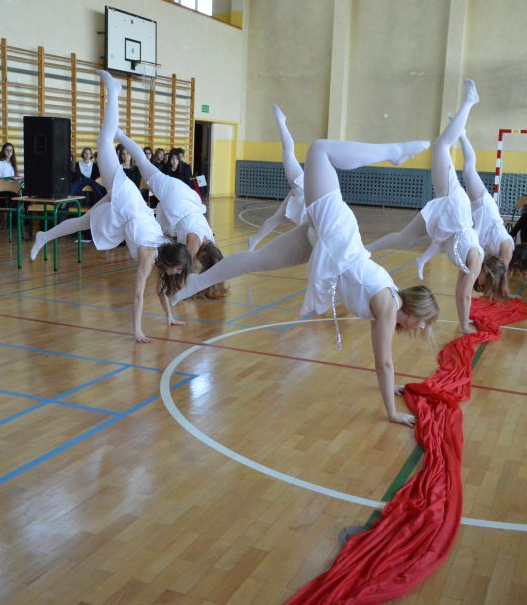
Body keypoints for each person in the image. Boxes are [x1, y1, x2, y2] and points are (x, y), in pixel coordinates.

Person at [168, 130, 436, 427]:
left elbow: (382, 359)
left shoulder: (387, 307)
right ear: (417, 311)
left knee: (257, 260)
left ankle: (197, 282)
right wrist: (392, 413)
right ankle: (394, 152)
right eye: (425, 322)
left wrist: (390, 385)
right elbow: (384, 362)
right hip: (338, 236)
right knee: (319, 150)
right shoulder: (387, 305)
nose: (422, 328)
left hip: (326, 243)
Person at [29, 70, 192, 343]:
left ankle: (44, 236)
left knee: (82, 222)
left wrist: (169, 317)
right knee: (104, 142)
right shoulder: (149, 255)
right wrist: (137, 331)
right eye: (179, 271)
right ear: (172, 262)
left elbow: (161, 289)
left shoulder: (161, 250)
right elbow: (138, 294)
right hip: (127, 202)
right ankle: (114, 91)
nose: (177, 275)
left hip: (124, 215)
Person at [366, 80, 484, 333]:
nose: (478, 284)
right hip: (454, 209)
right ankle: (469, 101)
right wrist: (465, 327)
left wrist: (422, 260)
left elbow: (447, 252)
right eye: (483, 281)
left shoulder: (466, 263)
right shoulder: (474, 260)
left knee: (404, 237)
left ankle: (366, 250)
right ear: (488, 272)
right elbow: (465, 295)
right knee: (441, 146)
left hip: (449, 218)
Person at [110, 91, 224, 274]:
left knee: (143, 163)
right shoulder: (195, 243)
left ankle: (120, 135)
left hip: (183, 202)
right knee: (142, 162)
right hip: (177, 200)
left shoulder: (210, 244)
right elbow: (184, 269)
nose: (199, 266)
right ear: (203, 256)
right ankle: (119, 134)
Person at [457, 131, 527, 299]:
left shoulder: (506, 250)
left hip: (481, 216)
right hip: (485, 208)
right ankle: (462, 134)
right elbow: (501, 277)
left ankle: (461, 135)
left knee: (467, 170)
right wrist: (506, 295)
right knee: (468, 169)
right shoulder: (507, 250)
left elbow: (494, 275)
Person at [247, 104, 308, 251]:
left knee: (278, 217)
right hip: (306, 193)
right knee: (289, 154)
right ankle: (281, 121)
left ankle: (254, 240)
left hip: (305, 198)